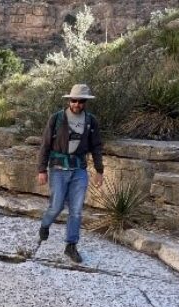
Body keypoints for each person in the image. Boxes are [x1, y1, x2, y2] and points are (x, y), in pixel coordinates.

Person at [37, 84, 104, 263]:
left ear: (85, 102)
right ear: (69, 101)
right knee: (56, 206)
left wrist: (99, 171)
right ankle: (45, 224)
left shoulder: (91, 121)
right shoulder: (56, 119)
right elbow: (45, 145)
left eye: (81, 101)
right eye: (74, 100)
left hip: (79, 171)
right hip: (58, 170)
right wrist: (41, 170)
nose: (77, 104)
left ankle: (71, 246)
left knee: (76, 211)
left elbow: (96, 146)